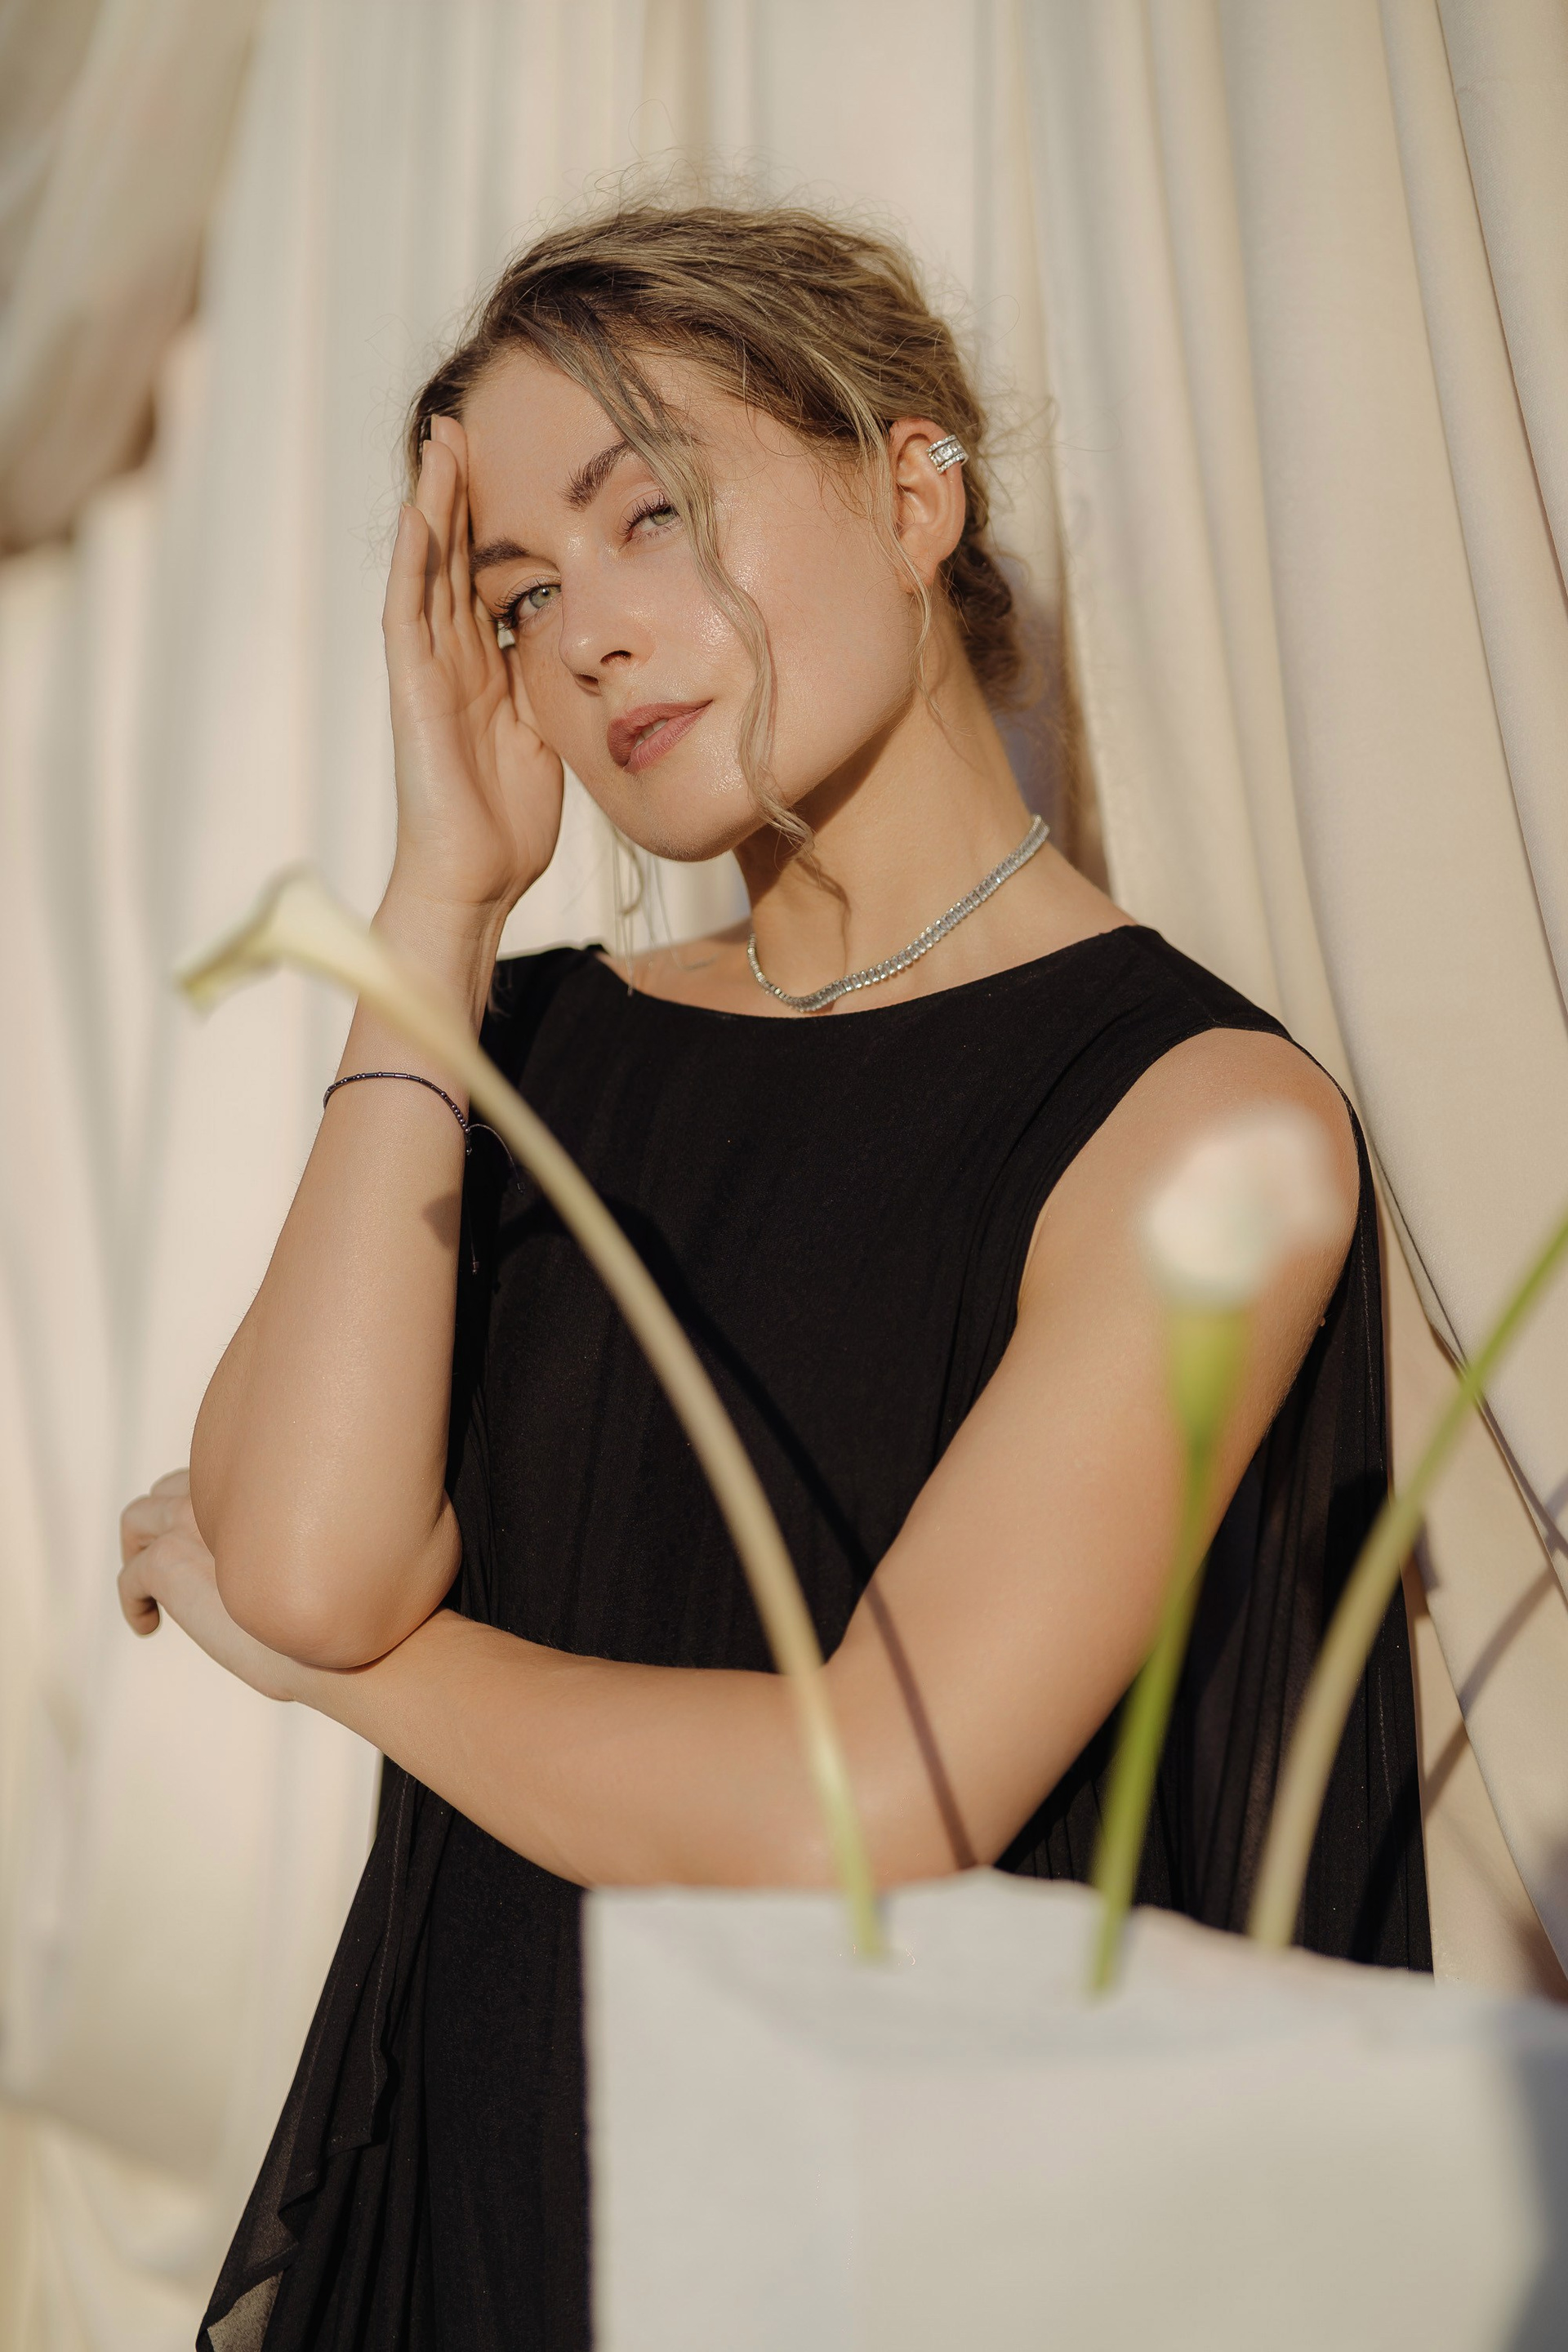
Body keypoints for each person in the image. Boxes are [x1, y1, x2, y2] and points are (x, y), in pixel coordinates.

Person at [118, 203, 1428, 2351]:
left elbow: (882, 1797)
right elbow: (309, 1554)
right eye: (520, 597)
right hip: (468, 2209)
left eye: (652, 513)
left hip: (885, 2262)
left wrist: (344, 1679)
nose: (590, 635)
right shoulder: (521, 1048)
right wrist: (441, 901)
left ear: (916, 494)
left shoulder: (1204, 1125)